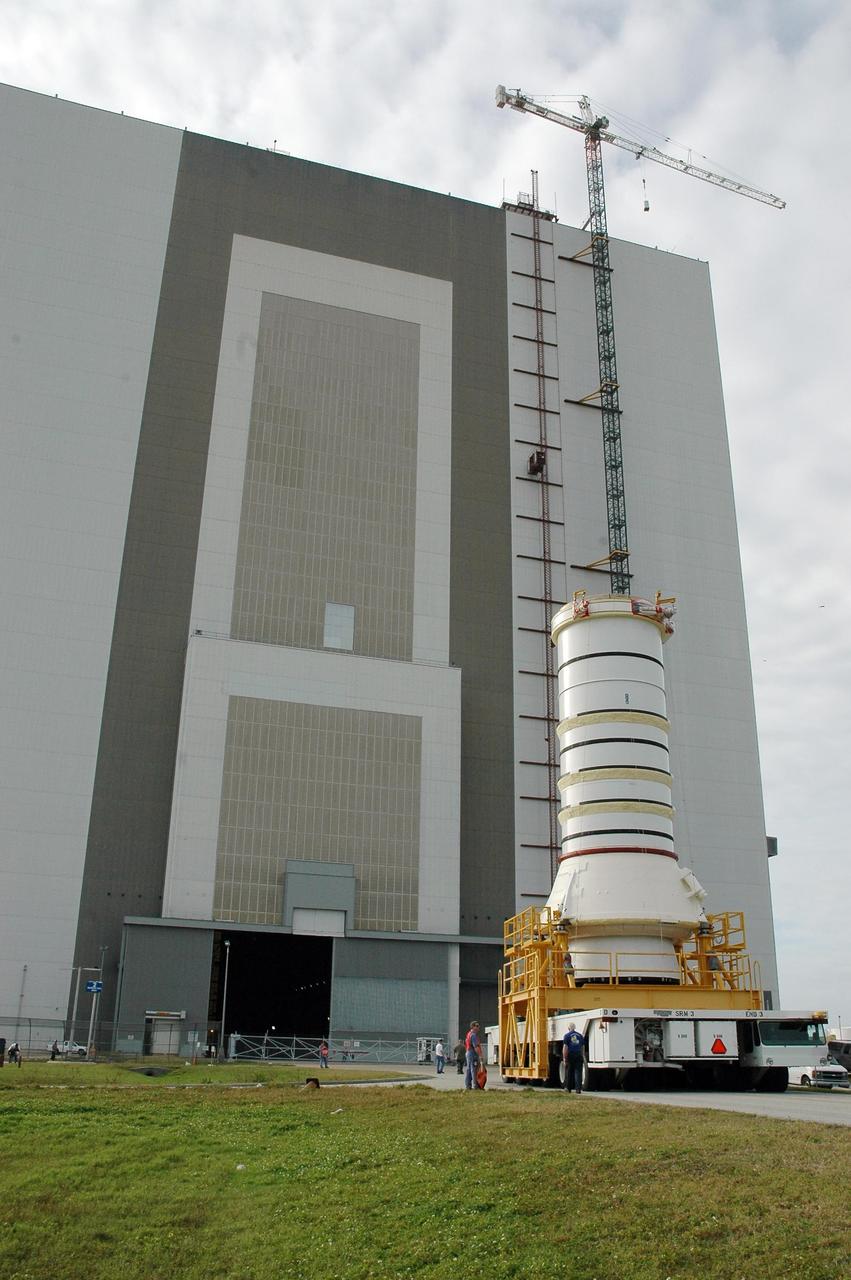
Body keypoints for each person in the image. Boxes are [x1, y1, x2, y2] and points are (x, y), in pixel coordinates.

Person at [562, 1022, 585, 1093]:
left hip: (571, 1055)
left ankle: (568, 1088)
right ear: (574, 1028)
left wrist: (565, 1058)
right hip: (578, 1055)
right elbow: (582, 1047)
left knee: (569, 1072)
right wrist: (582, 1055)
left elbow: (565, 1048)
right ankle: (578, 1089)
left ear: (568, 1028)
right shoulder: (580, 1036)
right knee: (578, 1072)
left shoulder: (567, 1036)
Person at [464, 1021, 483, 1091]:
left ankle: (468, 1086)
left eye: (478, 1026)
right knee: (474, 1070)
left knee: (469, 1070)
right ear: (473, 1026)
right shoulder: (473, 1035)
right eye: (477, 1026)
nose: (478, 1027)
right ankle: (475, 1086)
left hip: (468, 1052)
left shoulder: (469, 1034)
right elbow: (476, 1047)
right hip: (472, 1053)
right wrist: (480, 1056)